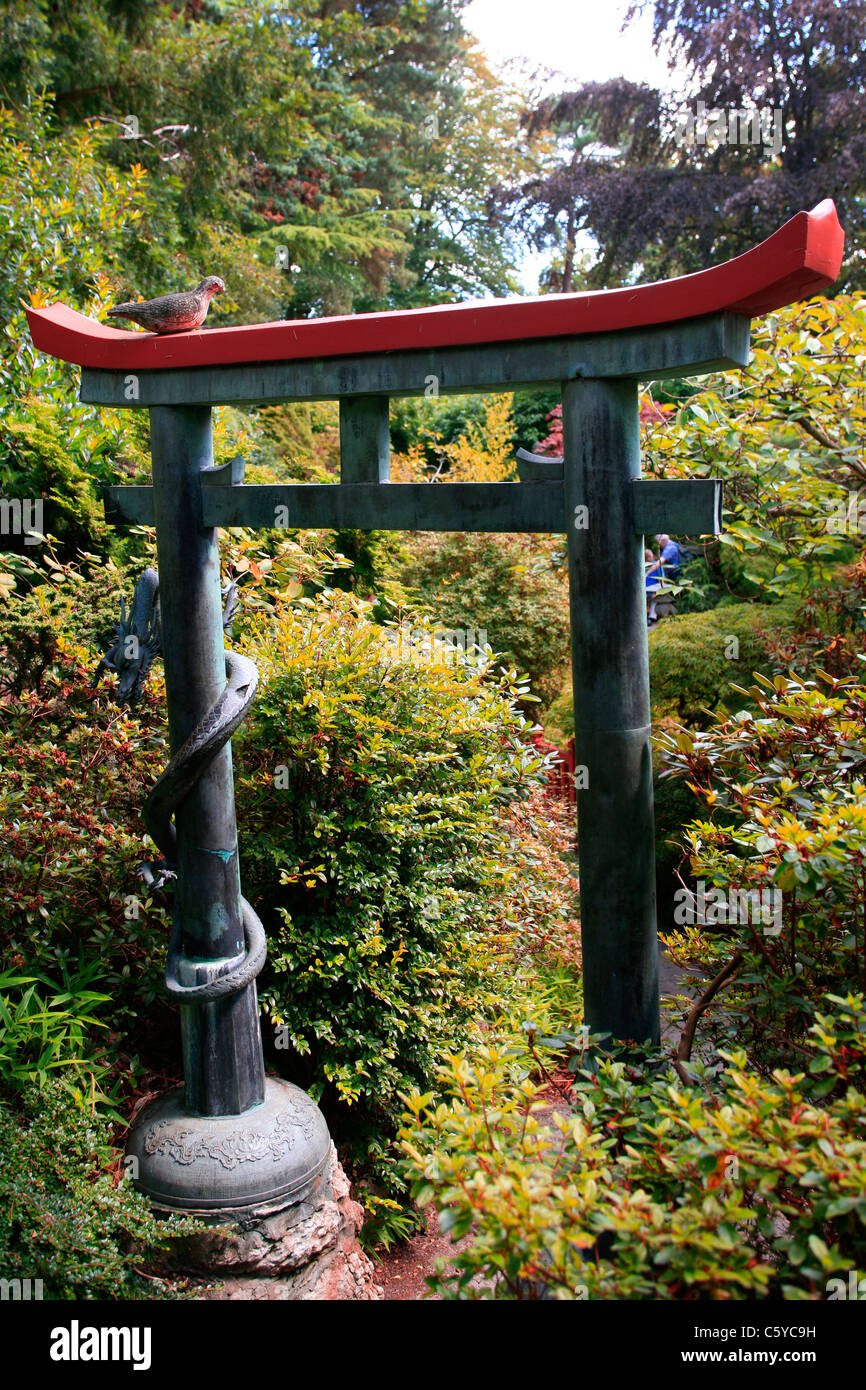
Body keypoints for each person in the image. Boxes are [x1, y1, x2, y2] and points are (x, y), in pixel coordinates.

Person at [645, 547, 663, 625]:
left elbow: (662, 580)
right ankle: (644, 617)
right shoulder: (643, 566)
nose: (649, 559)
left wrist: (658, 592)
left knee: (653, 598)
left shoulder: (657, 566)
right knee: (643, 597)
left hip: (655, 589)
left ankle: (651, 617)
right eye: (647, 557)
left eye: (650, 556)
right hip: (644, 589)